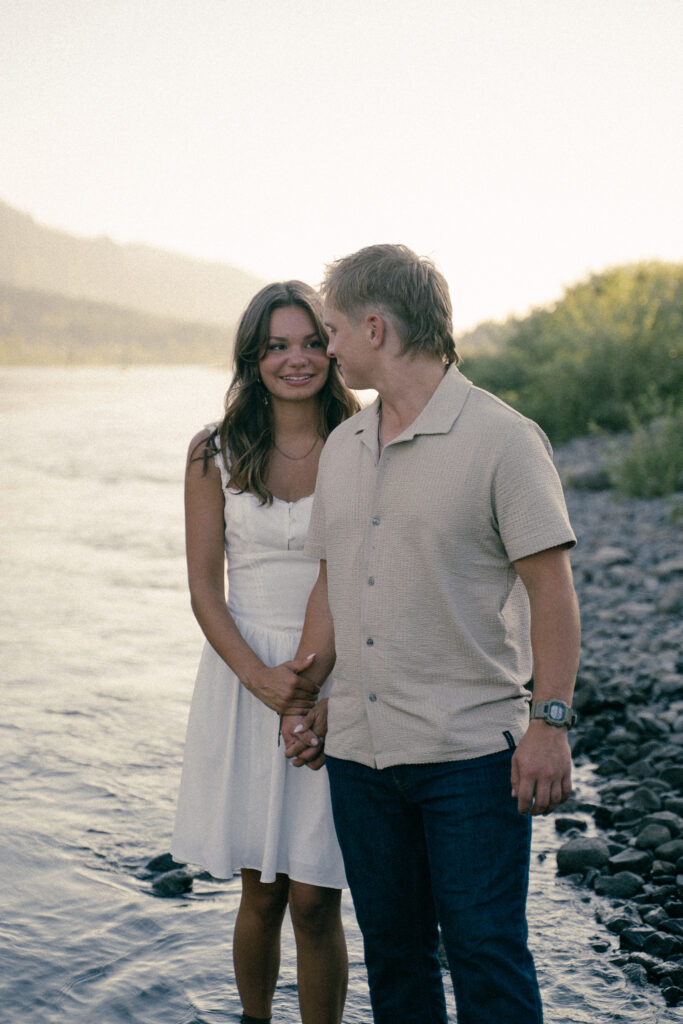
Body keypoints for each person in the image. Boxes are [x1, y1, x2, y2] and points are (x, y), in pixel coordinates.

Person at [282, 245, 581, 1024]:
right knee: (394, 954)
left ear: (375, 328)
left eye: (333, 330)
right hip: (357, 753)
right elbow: (333, 580)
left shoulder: (503, 439)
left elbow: (551, 591)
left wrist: (548, 724)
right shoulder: (344, 446)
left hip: (468, 758)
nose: (326, 348)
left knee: (485, 952)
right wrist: (305, 695)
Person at [171, 281, 360, 1024]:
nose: (298, 359)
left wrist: (310, 693)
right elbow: (202, 590)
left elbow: (355, 573)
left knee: (317, 897)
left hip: (339, 674)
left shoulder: (363, 440)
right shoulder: (213, 452)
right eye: (278, 345)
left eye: (313, 341)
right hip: (244, 676)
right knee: (263, 889)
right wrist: (262, 682)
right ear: (252, 356)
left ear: (335, 346)